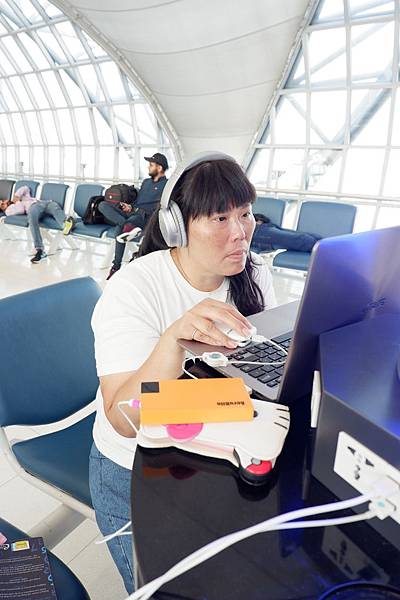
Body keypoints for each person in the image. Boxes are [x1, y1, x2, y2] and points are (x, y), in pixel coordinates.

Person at [89, 153, 277, 594]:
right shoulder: (134, 288)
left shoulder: (253, 273)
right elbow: (123, 417)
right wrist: (172, 341)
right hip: (136, 468)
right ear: (177, 227)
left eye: (245, 213)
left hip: (212, 450)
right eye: (220, 218)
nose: (240, 232)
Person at [99, 152, 169, 279]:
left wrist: (137, 210)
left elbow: (161, 207)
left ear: (159, 168)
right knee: (102, 205)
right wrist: (129, 207)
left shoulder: (166, 185)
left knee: (123, 227)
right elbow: (138, 201)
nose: (148, 167)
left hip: (145, 217)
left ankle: (115, 267)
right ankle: (127, 226)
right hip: (133, 212)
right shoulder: (146, 182)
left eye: (151, 165)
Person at [0, 186, 74, 263]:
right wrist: (17, 202)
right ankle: (40, 250)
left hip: (46, 203)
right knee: (32, 219)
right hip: (33, 207)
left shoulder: (23, 198)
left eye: (3, 201)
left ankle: (66, 224)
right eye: (2, 205)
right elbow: (20, 209)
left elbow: (25, 188)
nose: (4, 203)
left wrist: (16, 196)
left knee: (55, 208)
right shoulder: (8, 210)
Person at [251, 213, 321, 253]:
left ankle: (324, 249)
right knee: (305, 238)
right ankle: (324, 247)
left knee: (302, 240)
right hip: (259, 229)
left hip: (257, 231)